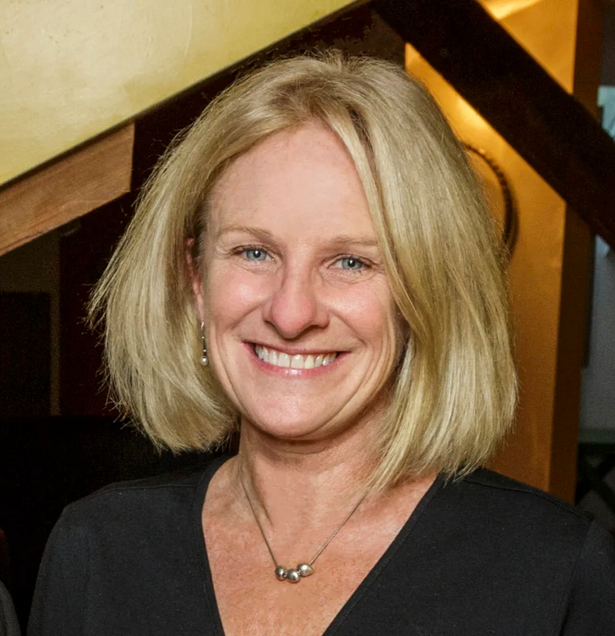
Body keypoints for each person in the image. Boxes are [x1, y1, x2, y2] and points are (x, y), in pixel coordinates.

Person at [28, 53, 615, 635]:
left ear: (425, 294)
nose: (290, 313)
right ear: (197, 280)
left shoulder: (554, 571)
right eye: (254, 252)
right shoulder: (98, 548)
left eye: (350, 261)